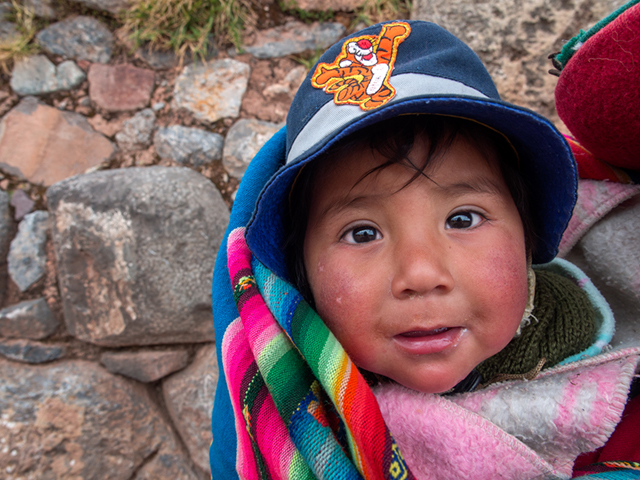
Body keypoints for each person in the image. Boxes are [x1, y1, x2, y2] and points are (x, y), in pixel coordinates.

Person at [210, 20, 640, 480]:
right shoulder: (288, 420)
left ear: (527, 236)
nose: (419, 273)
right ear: (302, 275)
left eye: (462, 219)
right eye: (362, 233)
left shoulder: (623, 402)